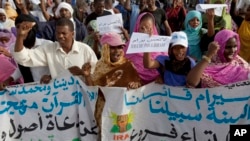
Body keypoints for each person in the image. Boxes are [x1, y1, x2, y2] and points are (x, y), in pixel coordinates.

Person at [82, 32, 142, 138]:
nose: (117, 51)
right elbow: (93, 90)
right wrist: (87, 76)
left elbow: (138, 88)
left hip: (122, 111)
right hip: (103, 110)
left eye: (120, 47)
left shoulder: (128, 65)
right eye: (112, 48)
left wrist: (136, 85)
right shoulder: (100, 66)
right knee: (105, 135)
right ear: (105, 49)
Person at [12, 18, 98, 79]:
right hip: (59, 99)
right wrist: (20, 36)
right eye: (58, 33)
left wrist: (83, 73)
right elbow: (22, 58)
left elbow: (97, 74)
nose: (60, 36)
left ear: (72, 34)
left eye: (64, 33)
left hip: (82, 97)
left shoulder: (85, 50)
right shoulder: (49, 49)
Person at [124, 12, 167, 85]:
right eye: (142, 28)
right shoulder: (128, 46)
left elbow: (165, 65)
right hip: (134, 84)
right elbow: (123, 66)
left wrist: (161, 76)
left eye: (149, 28)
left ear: (153, 28)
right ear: (137, 27)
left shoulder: (160, 45)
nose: (145, 31)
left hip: (156, 84)